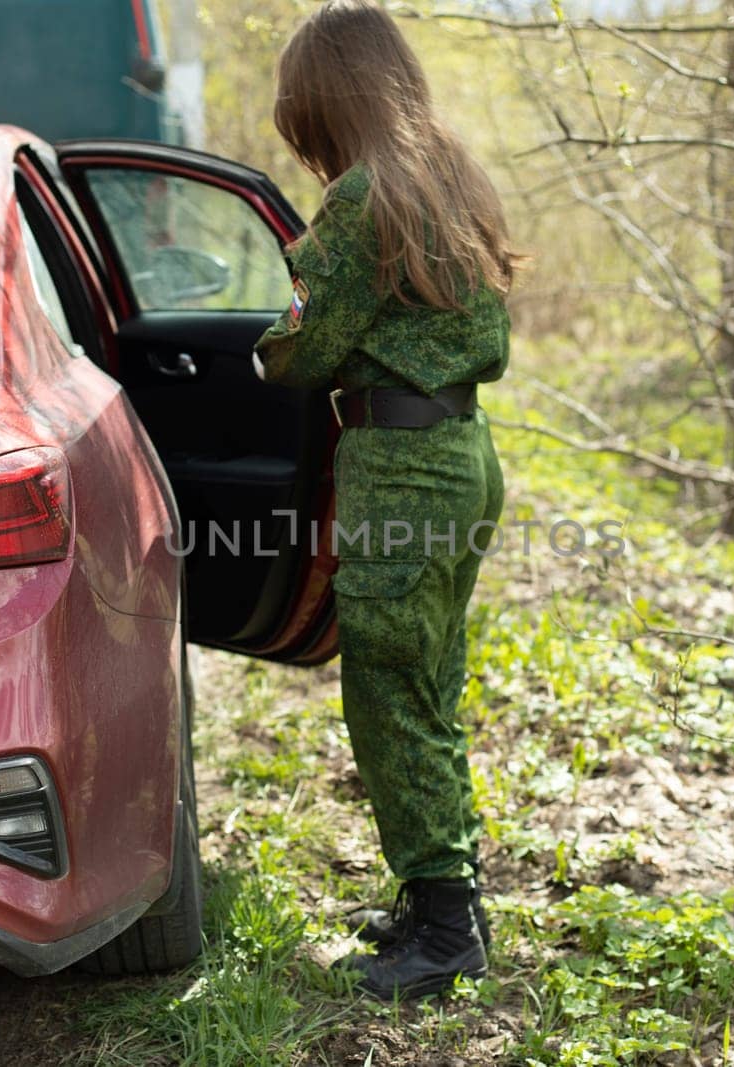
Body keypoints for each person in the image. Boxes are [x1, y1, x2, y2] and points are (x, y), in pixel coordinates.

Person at [251, 0, 518, 1000]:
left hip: (403, 468)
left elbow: (305, 349)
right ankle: (438, 895)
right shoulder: (451, 175)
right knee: (428, 684)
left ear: (329, 102)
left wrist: (265, 344)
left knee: (390, 694)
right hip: (460, 451)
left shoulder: (364, 197)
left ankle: (446, 932)